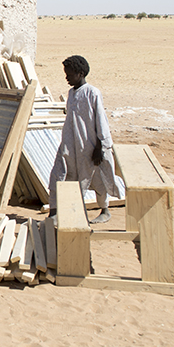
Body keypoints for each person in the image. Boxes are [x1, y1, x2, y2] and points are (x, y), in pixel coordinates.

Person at [48, 55, 124, 224]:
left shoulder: (92, 93)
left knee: (97, 179)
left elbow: (100, 121)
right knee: (58, 174)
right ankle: (53, 212)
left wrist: (100, 147)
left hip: (89, 146)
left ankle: (105, 210)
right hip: (70, 144)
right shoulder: (71, 93)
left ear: (80, 73)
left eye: (70, 74)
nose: (66, 78)